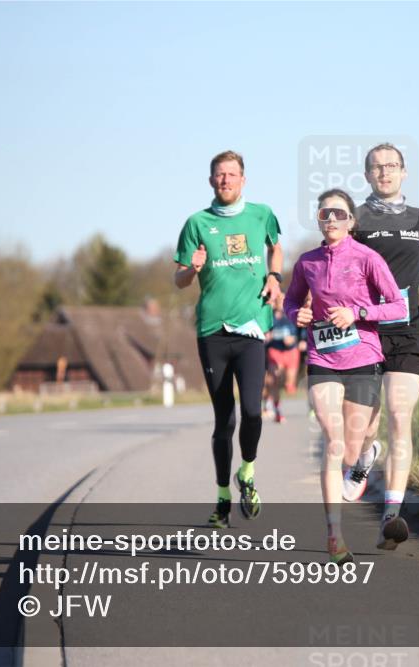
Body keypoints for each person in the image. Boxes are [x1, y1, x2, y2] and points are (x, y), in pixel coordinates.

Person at [284, 189, 405, 564]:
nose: (331, 219)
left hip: (363, 356)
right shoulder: (307, 263)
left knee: (354, 448)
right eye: (325, 214)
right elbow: (291, 302)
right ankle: (334, 536)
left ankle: (367, 454)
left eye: (339, 213)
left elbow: (398, 306)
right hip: (322, 358)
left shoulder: (368, 258)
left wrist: (357, 314)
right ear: (319, 221)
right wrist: (296, 316)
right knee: (334, 442)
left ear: (351, 221)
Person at [173, 150, 283, 528]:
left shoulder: (261, 214)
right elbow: (179, 279)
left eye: (232, 174)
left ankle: (247, 473)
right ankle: (222, 499)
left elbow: (277, 247)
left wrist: (275, 278)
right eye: (220, 175)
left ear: (243, 180)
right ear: (210, 181)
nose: (226, 180)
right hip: (212, 332)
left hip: (251, 328)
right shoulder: (196, 223)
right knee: (225, 419)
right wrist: (193, 268)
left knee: (253, 410)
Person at [347, 143, 419, 550]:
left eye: (392, 166)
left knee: (400, 417)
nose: (384, 172)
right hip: (366, 332)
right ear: (367, 175)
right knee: (361, 430)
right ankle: (365, 455)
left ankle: (391, 514)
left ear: (404, 172)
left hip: (408, 332)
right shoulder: (355, 219)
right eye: (376, 167)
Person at [263, 296, 301, 423]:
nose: (280, 302)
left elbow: (302, 331)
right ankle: (276, 409)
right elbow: (264, 333)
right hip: (275, 351)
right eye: (277, 300)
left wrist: (297, 340)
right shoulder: (269, 316)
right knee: (273, 379)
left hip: (291, 352)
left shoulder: (292, 314)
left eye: (282, 299)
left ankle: (273, 399)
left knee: (289, 385)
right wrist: (267, 336)